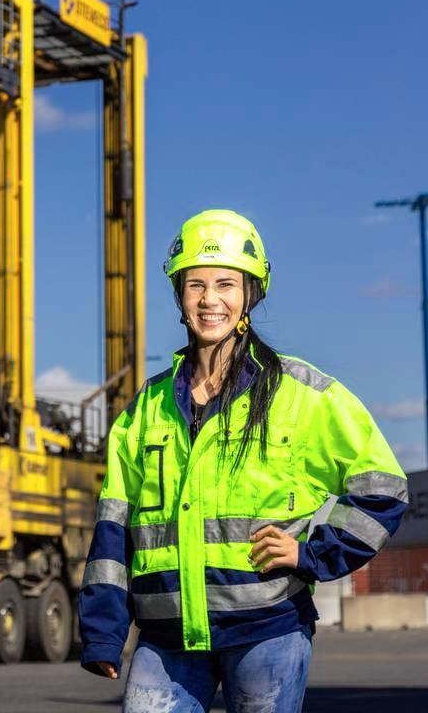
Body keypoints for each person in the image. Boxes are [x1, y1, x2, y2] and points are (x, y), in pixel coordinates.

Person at [78, 209, 408, 712]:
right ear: (179, 296)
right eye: (195, 285)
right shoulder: (147, 409)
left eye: (226, 284)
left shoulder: (302, 395)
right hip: (167, 639)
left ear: (250, 294)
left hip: (267, 630)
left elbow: (383, 488)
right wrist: (104, 631)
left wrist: (311, 555)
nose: (210, 299)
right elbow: (113, 529)